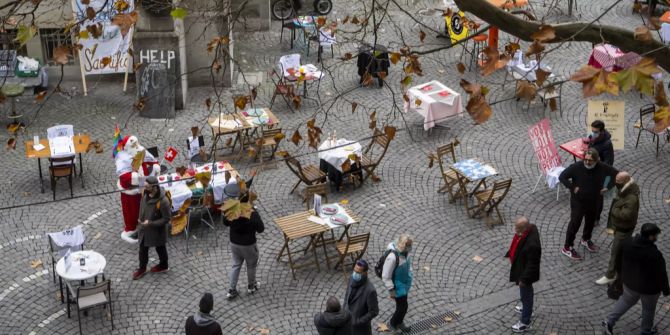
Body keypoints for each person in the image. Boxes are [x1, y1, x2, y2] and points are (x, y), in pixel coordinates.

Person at [602, 223, 669, 335]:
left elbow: (618, 259)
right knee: (648, 310)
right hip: (649, 289)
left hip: (630, 283)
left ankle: (609, 321)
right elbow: (661, 274)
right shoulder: (654, 254)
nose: (656, 238)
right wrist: (666, 290)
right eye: (655, 235)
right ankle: (646, 331)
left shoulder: (627, 243)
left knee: (625, 301)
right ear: (651, 236)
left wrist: (620, 275)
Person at [558, 148, 618, 260]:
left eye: (590, 160)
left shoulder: (602, 167)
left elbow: (616, 175)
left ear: (596, 160)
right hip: (578, 201)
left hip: (594, 200)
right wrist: (572, 187)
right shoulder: (576, 167)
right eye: (585, 159)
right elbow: (562, 177)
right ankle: (567, 247)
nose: (587, 162)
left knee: (591, 220)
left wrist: (607, 187)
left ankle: (586, 239)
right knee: (575, 223)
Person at [596, 172, 640, 285]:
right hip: (621, 228)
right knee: (621, 251)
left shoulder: (631, 198)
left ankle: (610, 275)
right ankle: (622, 271)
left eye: (618, 181)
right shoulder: (626, 189)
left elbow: (626, 215)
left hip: (623, 229)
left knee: (615, 252)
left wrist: (614, 210)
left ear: (625, 181)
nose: (616, 183)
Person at [115, 135, 160, 243]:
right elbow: (124, 178)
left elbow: (152, 161)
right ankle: (131, 229)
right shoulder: (122, 158)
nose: (136, 147)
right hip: (131, 192)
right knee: (132, 211)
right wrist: (134, 177)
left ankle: (148, 225)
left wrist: (155, 167)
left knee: (147, 208)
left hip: (144, 187)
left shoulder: (141, 150)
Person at [222, 183, 264, 300]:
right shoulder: (252, 212)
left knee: (236, 265)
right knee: (251, 265)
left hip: (234, 243)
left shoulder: (232, 209)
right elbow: (261, 229)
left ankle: (231, 290)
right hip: (249, 245)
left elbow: (225, 222)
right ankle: (252, 286)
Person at [505, 217, 541, 333]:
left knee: (526, 295)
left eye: (517, 228)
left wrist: (524, 279)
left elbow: (533, 265)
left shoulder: (532, 245)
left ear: (524, 229)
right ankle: (527, 309)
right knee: (525, 295)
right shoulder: (530, 229)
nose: (515, 230)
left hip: (525, 275)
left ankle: (525, 322)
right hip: (522, 269)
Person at [132, 176, 170, 280]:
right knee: (142, 249)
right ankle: (142, 268)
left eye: (147, 186)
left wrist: (151, 223)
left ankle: (163, 265)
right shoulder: (146, 193)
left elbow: (166, 219)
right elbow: (143, 207)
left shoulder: (163, 202)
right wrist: (140, 220)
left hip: (157, 230)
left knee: (160, 248)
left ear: (154, 187)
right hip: (144, 229)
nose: (145, 188)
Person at [382, 234, 414, 333]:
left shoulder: (406, 252)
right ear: (402, 245)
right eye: (408, 245)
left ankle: (399, 322)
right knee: (403, 307)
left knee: (402, 306)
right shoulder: (392, 257)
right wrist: (391, 290)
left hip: (404, 284)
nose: (410, 247)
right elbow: (386, 275)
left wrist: (410, 273)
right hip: (397, 285)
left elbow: (408, 264)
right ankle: (393, 323)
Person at [587, 120, 615, 225]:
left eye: (595, 131)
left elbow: (608, 162)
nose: (593, 133)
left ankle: (596, 218)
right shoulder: (594, 138)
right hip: (590, 169)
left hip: (599, 174)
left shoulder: (607, 144)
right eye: (592, 131)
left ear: (602, 131)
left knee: (598, 197)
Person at [343, 260, 379, 335]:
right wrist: (343, 309)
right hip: (347, 322)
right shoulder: (351, 278)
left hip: (361, 329)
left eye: (358, 272)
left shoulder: (370, 290)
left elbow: (374, 311)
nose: (355, 274)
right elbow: (347, 295)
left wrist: (358, 321)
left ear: (365, 273)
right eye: (354, 271)